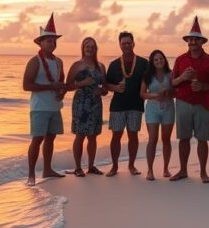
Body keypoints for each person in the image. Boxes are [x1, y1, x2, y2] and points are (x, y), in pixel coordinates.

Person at [170, 17, 209, 183]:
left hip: (203, 105)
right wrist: (183, 77)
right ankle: (183, 170)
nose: (192, 42)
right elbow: (172, 82)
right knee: (183, 138)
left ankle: (203, 172)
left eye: (195, 39)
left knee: (202, 139)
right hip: (183, 102)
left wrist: (204, 87)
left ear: (201, 42)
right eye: (190, 39)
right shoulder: (180, 60)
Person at [22, 14, 68, 186]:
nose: (52, 44)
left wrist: (61, 92)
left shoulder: (59, 62)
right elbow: (26, 85)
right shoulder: (34, 62)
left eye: (54, 41)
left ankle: (47, 169)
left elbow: (61, 83)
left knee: (51, 138)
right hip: (39, 107)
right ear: (40, 43)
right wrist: (51, 87)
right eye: (48, 41)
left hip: (55, 107)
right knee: (37, 139)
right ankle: (31, 174)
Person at [104, 31, 149, 177]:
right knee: (116, 136)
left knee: (133, 135)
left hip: (136, 105)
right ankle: (114, 166)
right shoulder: (114, 64)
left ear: (133, 43)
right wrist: (115, 88)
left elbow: (152, 80)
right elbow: (106, 85)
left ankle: (131, 165)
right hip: (118, 105)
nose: (126, 45)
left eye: (129, 43)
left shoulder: (143, 63)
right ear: (120, 45)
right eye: (123, 43)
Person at [67, 36, 108, 176]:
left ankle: (91, 166)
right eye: (87, 46)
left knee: (93, 136)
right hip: (81, 103)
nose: (89, 48)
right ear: (83, 48)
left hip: (96, 103)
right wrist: (81, 83)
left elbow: (105, 88)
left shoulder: (101, 66)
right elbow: (68, 86)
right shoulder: (77, 65)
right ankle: (78, 168)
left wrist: (102, 91)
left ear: (96, 49)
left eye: (92, 46)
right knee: (80, 135)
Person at [140, 49, 175, 180]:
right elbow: (142, 94)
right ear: (152, 62)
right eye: (156, 59)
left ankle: (166, 168)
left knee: (166, 139)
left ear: (165, 60)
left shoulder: (170, 74)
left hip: (168, 108)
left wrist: (168, 91)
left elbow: (175, 92)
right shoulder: (147, 76)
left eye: (161, 59)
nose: (159, 61)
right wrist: (155, 95)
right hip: (152, 109)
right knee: (152, 139)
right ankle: (150, 170)